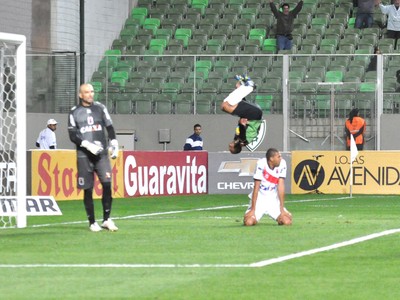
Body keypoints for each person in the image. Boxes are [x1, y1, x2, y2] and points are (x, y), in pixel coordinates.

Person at [68, 83, 119, 232]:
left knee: (107, 184)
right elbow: (72, 134)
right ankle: (92, 222)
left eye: (92, 91)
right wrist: (86, 144)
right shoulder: (74, 112)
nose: (90, 94)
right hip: (84, 155)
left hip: (101, 154)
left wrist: (114, 141)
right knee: (88, 189)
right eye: (87, 92)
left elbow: (109, 127)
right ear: (80, 95)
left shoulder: (100, 108)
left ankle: (106, 219)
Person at [243, 148, 292, 226]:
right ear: (271, 159)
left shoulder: (283, 163)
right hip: (260, 200)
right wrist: (253, 209)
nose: (281, 158)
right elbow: (256, 187)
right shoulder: (261, 164)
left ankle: (281, 216)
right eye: (278, 157)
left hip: (273, 200)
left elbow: (281, 186)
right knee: (249, 222)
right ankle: (251, 216)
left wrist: (282, 209)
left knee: (287, 222)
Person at [220, 75, 263, 154]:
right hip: (254, 115)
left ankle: (243, 86)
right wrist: (242, 123)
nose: (229, 145)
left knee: (223, 106)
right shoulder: (242, 140)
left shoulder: (237, 139)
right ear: (235, 146)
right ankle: (250, 86)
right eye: (231, 147)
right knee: (225, 106)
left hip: (250, 115)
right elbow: (242, 128)